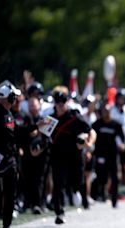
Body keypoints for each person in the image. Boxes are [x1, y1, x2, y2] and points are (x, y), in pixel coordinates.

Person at [50, 87, 96, 224]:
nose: (60, 104)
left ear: (67, 102)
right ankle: (59, 212)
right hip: (58, 156)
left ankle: (80, 195)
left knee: (78, 181)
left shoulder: (74, 117)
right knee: (58, 184)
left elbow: (91, 131)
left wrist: (89, 144)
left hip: (75, 156)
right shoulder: (50, 118)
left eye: (63, 101)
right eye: (58, 101)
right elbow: (42, 134)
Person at [0, 84, 21, 228]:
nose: (16, 99)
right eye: (14, 96)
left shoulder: (9, 114)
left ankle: (7, 224)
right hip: (0, 160)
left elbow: (15, 134)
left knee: (11, 194)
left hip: (9, 160)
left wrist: (37, 125)